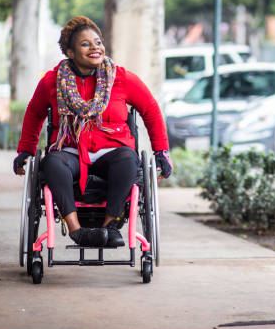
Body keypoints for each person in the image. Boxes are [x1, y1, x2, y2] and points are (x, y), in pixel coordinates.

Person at [13, 15, 172, 248]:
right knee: (52, 163)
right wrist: (25, 151)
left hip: (114, 151)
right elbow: (34, 113)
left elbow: (150, 110)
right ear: (70, 52)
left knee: (129, 161)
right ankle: (77, 231)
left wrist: (161, 152)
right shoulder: (52, 81)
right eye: (85, 44)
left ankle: (110, 227)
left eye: (98, 42)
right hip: (71, 151)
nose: (95, 48)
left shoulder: (121, 78)